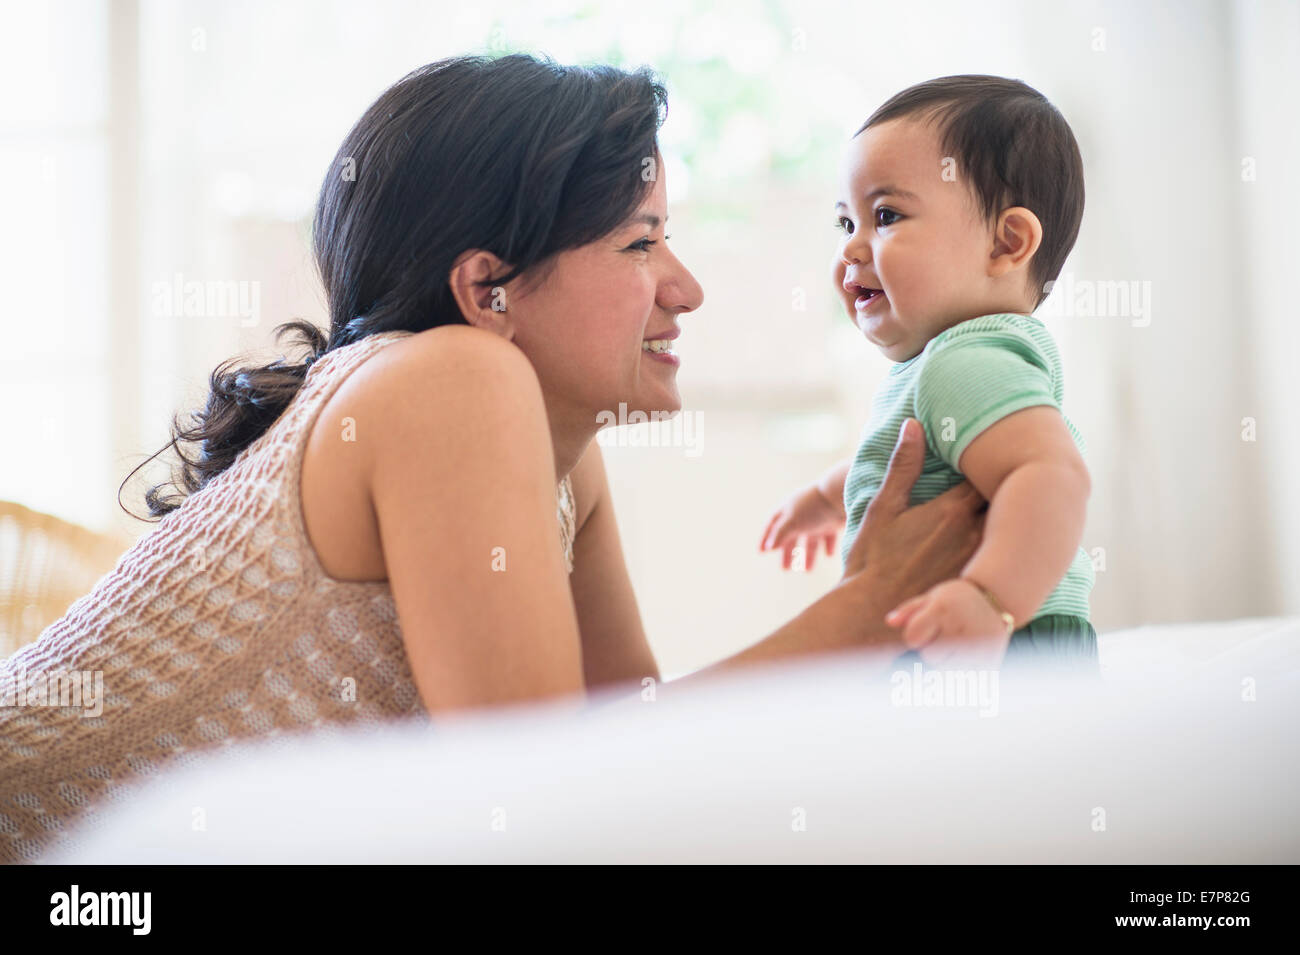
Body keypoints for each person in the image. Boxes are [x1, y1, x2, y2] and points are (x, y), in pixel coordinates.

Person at [0, 54, 983, 864]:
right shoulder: (452, 381)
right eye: (640, 244)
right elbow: (537, 791)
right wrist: (858, 613)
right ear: (488, 289)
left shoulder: (553, 450)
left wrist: (869, 623)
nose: (685, 289)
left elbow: (632, 752)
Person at [760, 76, 1095, 669]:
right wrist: (826, 495)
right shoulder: (953, 362)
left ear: (1005, 243)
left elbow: (1053, 475)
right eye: (846, 224)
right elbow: (908, 455)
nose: (851, 249)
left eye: (884, 215)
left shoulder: (964, 360)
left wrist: (990, 598)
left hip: (990, 638)